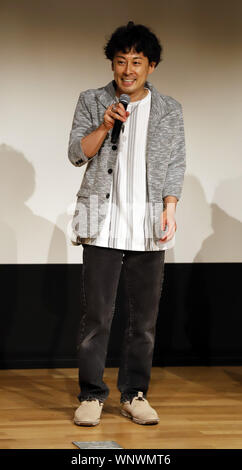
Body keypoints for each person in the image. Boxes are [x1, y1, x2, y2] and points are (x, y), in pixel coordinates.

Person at [68, 21, 186, 426]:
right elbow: (76, 155)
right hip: (100, 222)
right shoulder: (92, 99)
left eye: (137, 61)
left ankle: (134, 393)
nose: (128, 69)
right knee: (97, 317)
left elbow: (175, 165)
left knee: (144, 322)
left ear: (151, 65)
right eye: (121, 61)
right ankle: (91, 394)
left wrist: (170, 206)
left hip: (148, 225)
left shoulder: (170, 109)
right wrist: (104, 124)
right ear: (112, 64)